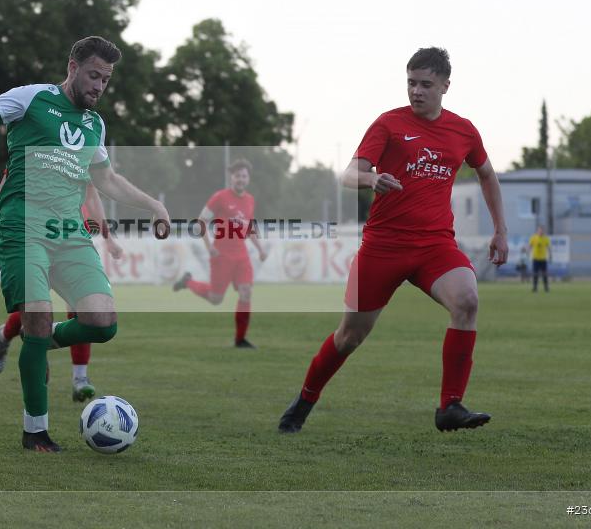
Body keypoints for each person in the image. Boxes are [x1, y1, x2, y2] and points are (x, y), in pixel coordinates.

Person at [0, 36, 170, 453]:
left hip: (69, 233)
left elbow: (107, 180)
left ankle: (30, 339)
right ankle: (35, 432)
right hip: (22, 227)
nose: (98, 86)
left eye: (106, 80)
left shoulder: (96, 124)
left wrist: (154, 205)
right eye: (93, 75)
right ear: (72, 67)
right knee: (37, 317)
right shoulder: (32, 98)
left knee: (103, 322)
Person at [278, 47, 508, 434]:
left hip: (435, 244)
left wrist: (501, 229)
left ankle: (449, 405)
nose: (416, 91)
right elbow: (349, 173)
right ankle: (305, 399)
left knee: (467, 300)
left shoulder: (464, 130)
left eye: (425, 85)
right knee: (349, 336)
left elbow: (487, 174)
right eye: (411, 83)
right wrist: (371, 179)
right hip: (383, 247)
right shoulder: (388, 124)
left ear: (445, 86)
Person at [0, 181, 125, 405]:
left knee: (83, 308)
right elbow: (7, 183)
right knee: (34, 308)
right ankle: (5, 336)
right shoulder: (36, 151)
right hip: (36, 234)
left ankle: (80, 378)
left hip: (72, 235)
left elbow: (92, 192)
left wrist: (108, 238)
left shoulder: (83, 150)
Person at [173, 158, 267, 348]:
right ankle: (188, 281)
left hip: (241, 255)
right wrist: (210, 247)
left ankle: (240, 339)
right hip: (221, 256)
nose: (240, 179)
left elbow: (249, 227)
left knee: (246, 292)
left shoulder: (250, 200)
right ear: (231, 178)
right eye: (237, 176)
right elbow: (201, 222)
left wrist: (260, 248)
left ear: (248, 179)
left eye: (244, 176)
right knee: (216, 299)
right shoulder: (220, 197)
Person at [529, 225, 551, 292]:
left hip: (543, 259)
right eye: (539, 230)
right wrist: (527, 252)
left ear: (543, 231)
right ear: (537, 231)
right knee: (535, 274)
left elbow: (548, 247)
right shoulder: (533, 238)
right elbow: (530, 246)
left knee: (544, 274)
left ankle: (546, 288)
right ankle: (535, 288)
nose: (540, 231)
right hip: (535, 259)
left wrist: (551, 255)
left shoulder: (546, 238)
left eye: (542, 230)